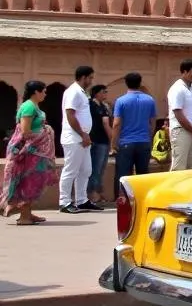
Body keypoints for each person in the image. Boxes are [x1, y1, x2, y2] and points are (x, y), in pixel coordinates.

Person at [2, 81, 57, 225]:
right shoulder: (28, 106)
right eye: (43, 91)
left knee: (34, 181)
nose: (45, 94)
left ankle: (27, 213)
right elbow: (25, 132)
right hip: (28, 152)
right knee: (29, 181)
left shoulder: (34, 106)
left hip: (36, 152)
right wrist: (45, 132)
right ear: (36, 92)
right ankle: (24, 216)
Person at [59, 65, 100, 213]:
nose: (91, 81)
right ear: (83, 77)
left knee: (85, 170)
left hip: (83, 138)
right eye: (90, 78)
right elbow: (70, 114)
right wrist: (82, 134)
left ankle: (82, 200)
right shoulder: (73, 92)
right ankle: (64, 202)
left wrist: (85, 135)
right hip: (74, 138)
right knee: (71, 170)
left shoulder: (82, 93)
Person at [111, 73, 158, 195]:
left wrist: (113, 143)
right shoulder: (149, 100)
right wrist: (149, 136)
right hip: (144, 142)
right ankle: (142, 199)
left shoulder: (121, 101)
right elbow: (152, 122)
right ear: (140, 82)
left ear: (126, 83)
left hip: (126, 142)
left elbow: (116, 124)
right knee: (142, 175)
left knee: (123, 175)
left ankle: (123, 201)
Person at [168, 59, 192, 172]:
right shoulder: (178, 88)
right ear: (184, 71)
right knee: (179, 167)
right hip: (182, 132)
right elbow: (178, 113)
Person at [86, 83, 112, 205]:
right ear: (97, 93)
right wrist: (113, 139)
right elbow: (106, 124)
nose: (106, 94)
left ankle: (98, 192)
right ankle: (93, 194)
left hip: (103, 140)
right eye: (104, 92)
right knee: (95, 168)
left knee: (100, 168)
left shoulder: (104, 106)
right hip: (96, 140)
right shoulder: (91, 105)